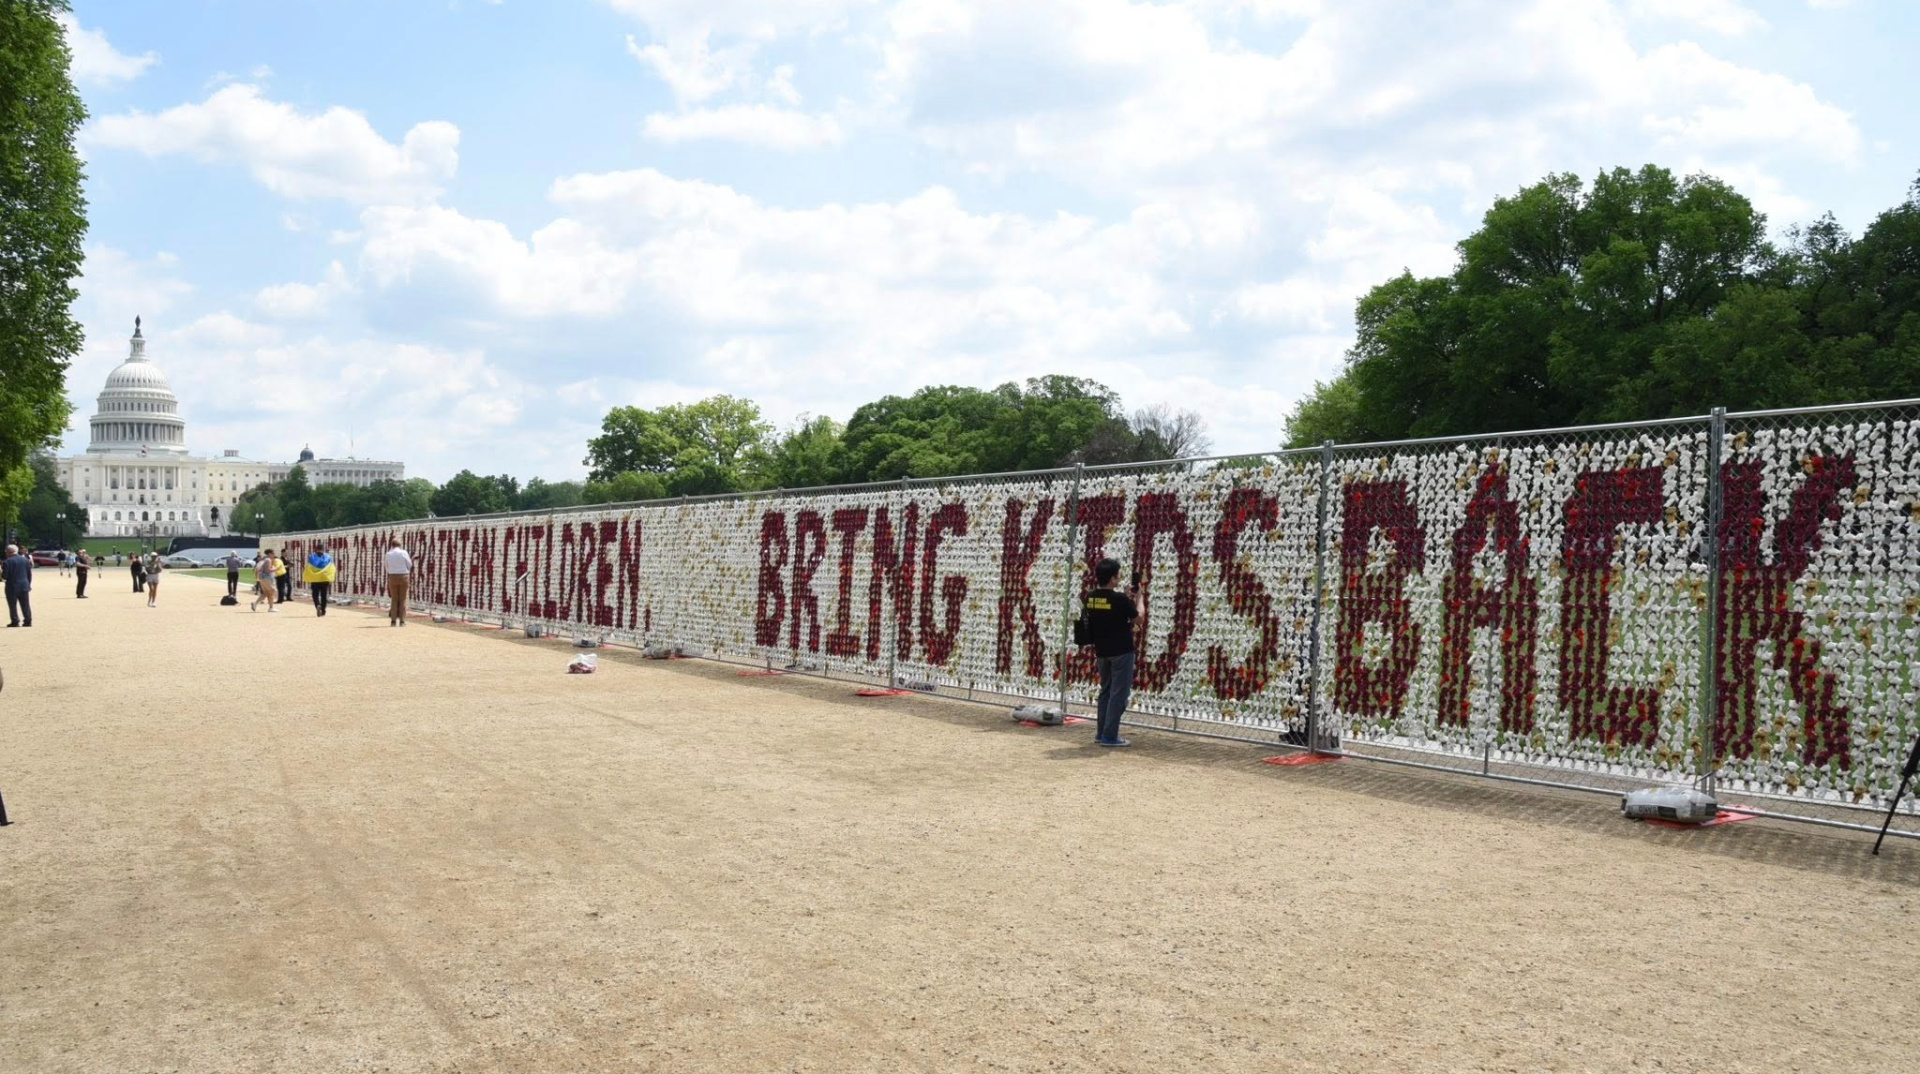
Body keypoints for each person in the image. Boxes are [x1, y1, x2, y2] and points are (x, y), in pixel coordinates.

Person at [1078, 557, 1139, 747]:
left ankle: (1101, 732)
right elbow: (1139, 619)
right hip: (1121, 651)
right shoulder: (1119, 599)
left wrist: (1126, 597)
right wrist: (1140, 599)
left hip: (1102, 651)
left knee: (1105, 692)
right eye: (1118, 575)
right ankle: (1110, 735)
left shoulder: (1090, 597)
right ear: (1112, 578)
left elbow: (1109, 609)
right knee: (1118, 695)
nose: (1119, 578)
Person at [383, 537, 413, 626]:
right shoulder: (404, 552)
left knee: (394, 599)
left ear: (392, 545)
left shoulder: (388, 554)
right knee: (402, 599)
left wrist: (391, 572)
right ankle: (402, 621)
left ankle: (393, 621)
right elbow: (409, 564)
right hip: (404, 576)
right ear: (400, 545)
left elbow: (386, 566)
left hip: (392, 576)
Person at [2, 545, 31, 628]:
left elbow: (5, 577)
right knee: (25, 605)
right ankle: (28, 620)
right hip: (24, 585)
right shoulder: (25, 560)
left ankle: (15, 621)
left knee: (12, 605)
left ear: (9, 552)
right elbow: (29, 574)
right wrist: (28, 584)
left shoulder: (7, 561)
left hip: (12, 586)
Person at [304, 542, 336, 616]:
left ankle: (317, 605)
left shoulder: (311, 557)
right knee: (324, 595)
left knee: (315, 594)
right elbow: (331, 568)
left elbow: (308, 568)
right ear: (323, 549)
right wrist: (330, 577)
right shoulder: (328, 557)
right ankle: (323, 610)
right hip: (324, 579)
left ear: (316, 549)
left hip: (315, 579)